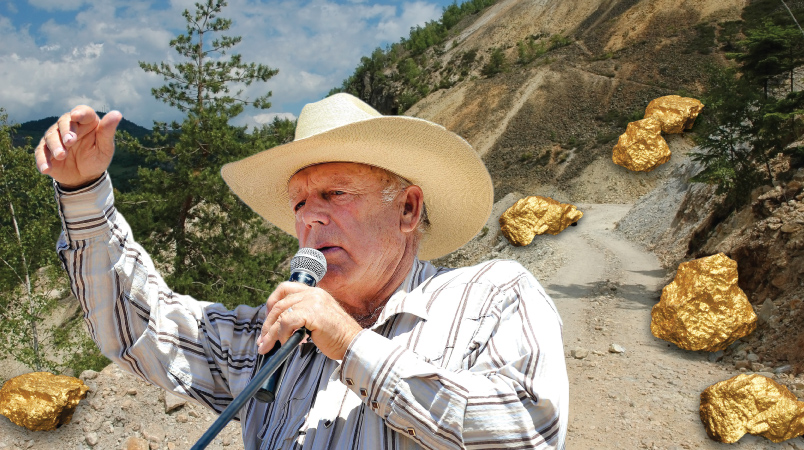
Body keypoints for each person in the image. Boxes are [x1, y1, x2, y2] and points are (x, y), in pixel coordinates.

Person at [35, 93, 569, 449]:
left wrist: (352, 345)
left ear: (408, 209)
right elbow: (139, 326)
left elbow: (530, 431)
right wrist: (83, 194)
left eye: (335, 193)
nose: (310, 216)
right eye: (299, 202)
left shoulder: (492, 294)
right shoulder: (273, 337)